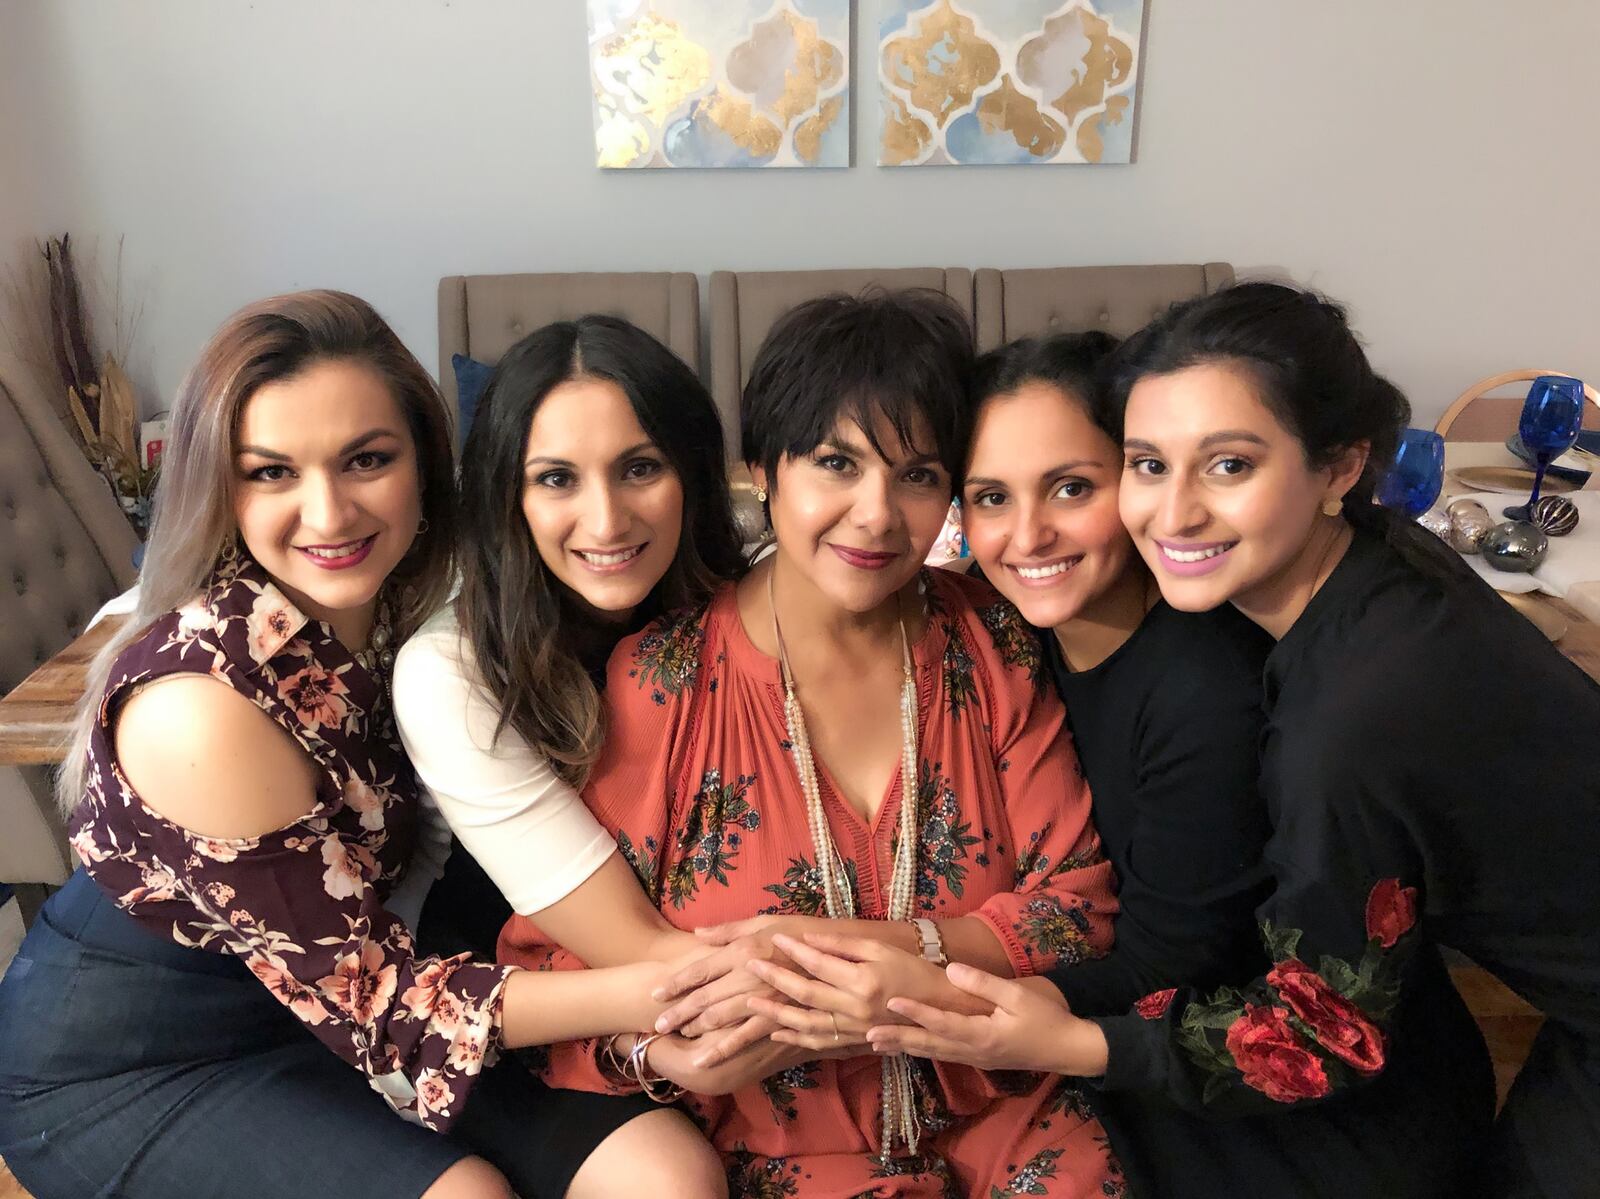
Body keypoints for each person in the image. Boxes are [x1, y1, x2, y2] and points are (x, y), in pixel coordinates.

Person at [868, 282, 1600, 1197]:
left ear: (1339, 467)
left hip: (1354, 1101)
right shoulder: (1358, 571)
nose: (1173, 515)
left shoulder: (1338, 719)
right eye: (1148, 464)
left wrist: (1043, 1028)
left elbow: (1324, 1030)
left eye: (1228, 465)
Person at [0, 293, 722, 1199]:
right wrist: (667, 991)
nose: (329, 511)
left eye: (367, 460)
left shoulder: (420, 595)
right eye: (271, 473)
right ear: (218, 487)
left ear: (427, 463)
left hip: (355, 995)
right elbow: (378, 1010)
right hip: (149, 1057)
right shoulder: (204, 705)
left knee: (664, 1173)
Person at [500, 290, 1127, 1196]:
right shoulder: (663, 682)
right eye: (836, 463)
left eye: (917, 474)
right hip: (778, 1152)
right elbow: (551, 963)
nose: (877, 514)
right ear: (763, 468)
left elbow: (1076, 908)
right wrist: (659, 1053)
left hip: (1012, 1119)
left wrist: (876, 952)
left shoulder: (993, 639)